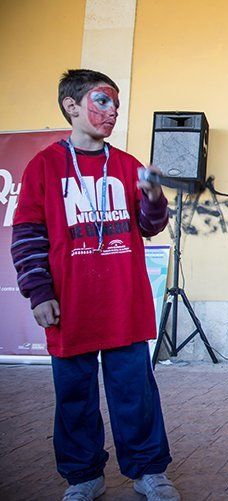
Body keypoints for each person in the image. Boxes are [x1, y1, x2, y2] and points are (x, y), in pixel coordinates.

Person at [11, 69, 179, 501]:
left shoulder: (127, 165)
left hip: (124, 302)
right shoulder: (45, 165)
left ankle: (148, 471)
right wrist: (39, 292)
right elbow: (28, 233)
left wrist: (155, 199)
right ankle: (83, 475)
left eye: (116, 105)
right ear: (72, 105)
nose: (112, 112)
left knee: (135, 393)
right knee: (74, 397)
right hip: (70, 305)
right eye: (103, 101)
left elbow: (149, 227)